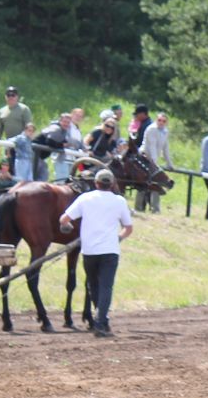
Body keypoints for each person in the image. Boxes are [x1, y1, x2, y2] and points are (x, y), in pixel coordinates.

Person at [60, 168, 135, 337]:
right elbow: (128, 228)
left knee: (93, 286)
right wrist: (119, 238)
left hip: (89, 250)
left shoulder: (85, 198)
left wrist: (67, 227)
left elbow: (64, 219)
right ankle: (101, 323)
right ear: (112, 184)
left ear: (96, 183)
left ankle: (102, 320)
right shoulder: (119, 201)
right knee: (106, 287)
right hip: (110, 250)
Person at [139, 111, 173, 212]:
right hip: (145, 158)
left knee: (156, 183)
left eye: (163, 121)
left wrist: (169, 164)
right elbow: (152, 147)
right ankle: (139, 207)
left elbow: (165, 148)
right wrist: (154, 164)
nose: (161, 122)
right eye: (159, 120)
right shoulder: (152, 129)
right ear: (156, 120)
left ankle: (155, 208)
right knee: (142, 183)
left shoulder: (165, 131)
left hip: (153, 160)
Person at [0, 86, 35, 153]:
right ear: (5, 97)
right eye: (8, 95)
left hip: (22, 146)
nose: (11, 97)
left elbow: (29, 128)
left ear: (17, 97)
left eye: (13, 95)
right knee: (7, 163)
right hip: (8, 145)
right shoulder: (1, 111)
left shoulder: (24, 109)